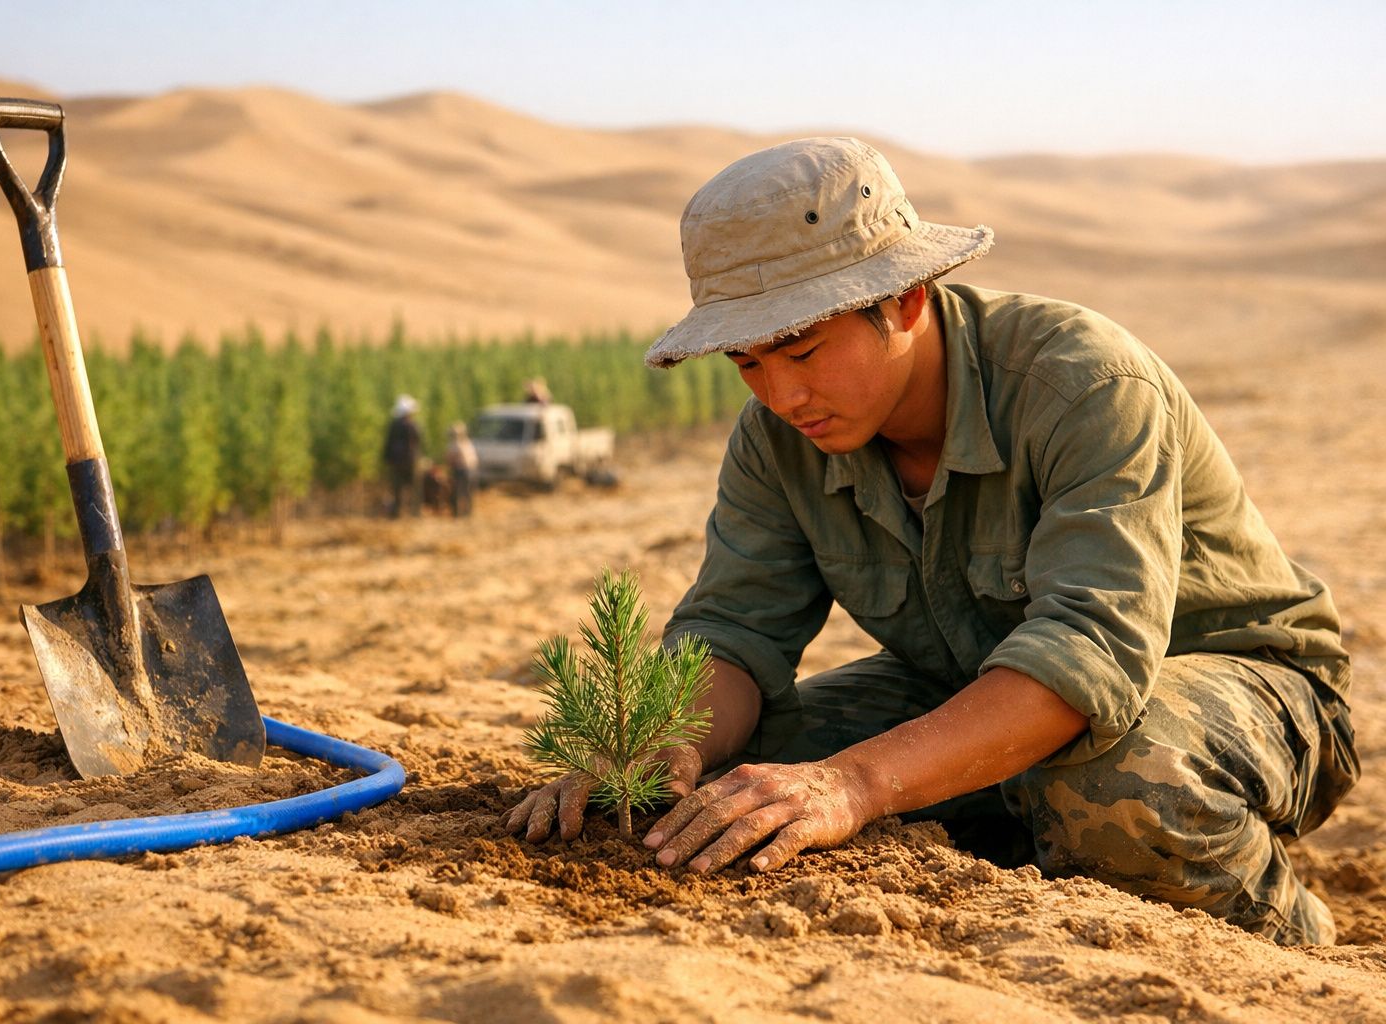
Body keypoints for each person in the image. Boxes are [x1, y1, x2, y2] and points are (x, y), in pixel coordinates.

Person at [505, 137, 1358, 946]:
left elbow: (1087, 657)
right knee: (743, 781)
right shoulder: (775, 439)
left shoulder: (1086, 382)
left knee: (1111, 780)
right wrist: (661, 751)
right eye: (748, 365)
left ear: (905, 300)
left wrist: (859, 783)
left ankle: (1285, 930)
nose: (781, 394)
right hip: (970, 682)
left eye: (801, 350)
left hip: (1242, 689)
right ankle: (1031, 829)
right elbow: (733, 633)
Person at [382, 394, 422, 518]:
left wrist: (387, 458)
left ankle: (396, 512)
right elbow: (419, 441)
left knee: (397, 488)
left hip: (395, 461)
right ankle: (415, 512)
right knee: (415, 488)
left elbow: (387, 443)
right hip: (410, 461)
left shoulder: (393, 425)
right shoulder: (413, 425)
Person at [445, 421, 479, 517]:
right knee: (467, 492)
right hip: (471, 469)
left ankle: (457, 513)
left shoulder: (454, 444)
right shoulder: (468, 443)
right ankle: (467, 512)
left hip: (460, 469)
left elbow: (450, 459)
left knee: (457, 492)